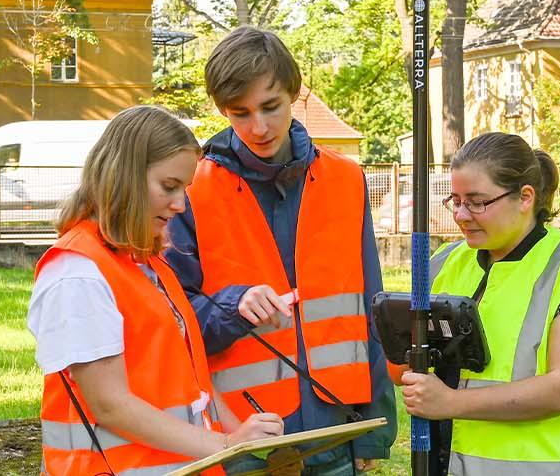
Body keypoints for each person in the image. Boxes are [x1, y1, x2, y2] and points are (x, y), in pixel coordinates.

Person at [164, 26, 397, 475]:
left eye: (271, 107)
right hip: (238, 438)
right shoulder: (192, 188)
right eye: (240, 113)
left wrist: (371, 428)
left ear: (295, 93)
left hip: (336, 430)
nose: (259, 127)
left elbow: (372, 308)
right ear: (221, 110)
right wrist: (236, 305)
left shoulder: (347, 180)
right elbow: (173, 320)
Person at [30, 106, 284, 476]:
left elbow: (193, 385)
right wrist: (228, 444)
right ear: (124, 177)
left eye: (184, 189)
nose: (180, 205)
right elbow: (110, 405)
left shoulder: (146, 265)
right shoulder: (78, 272)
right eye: (169, 187)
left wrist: (244, 438)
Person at [398, 132, 560, 475]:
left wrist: (450, 403)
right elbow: (409, 363)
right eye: (455, 200)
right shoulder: (445, 263)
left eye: (477, 201)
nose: (461, 215)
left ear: (525, 198)